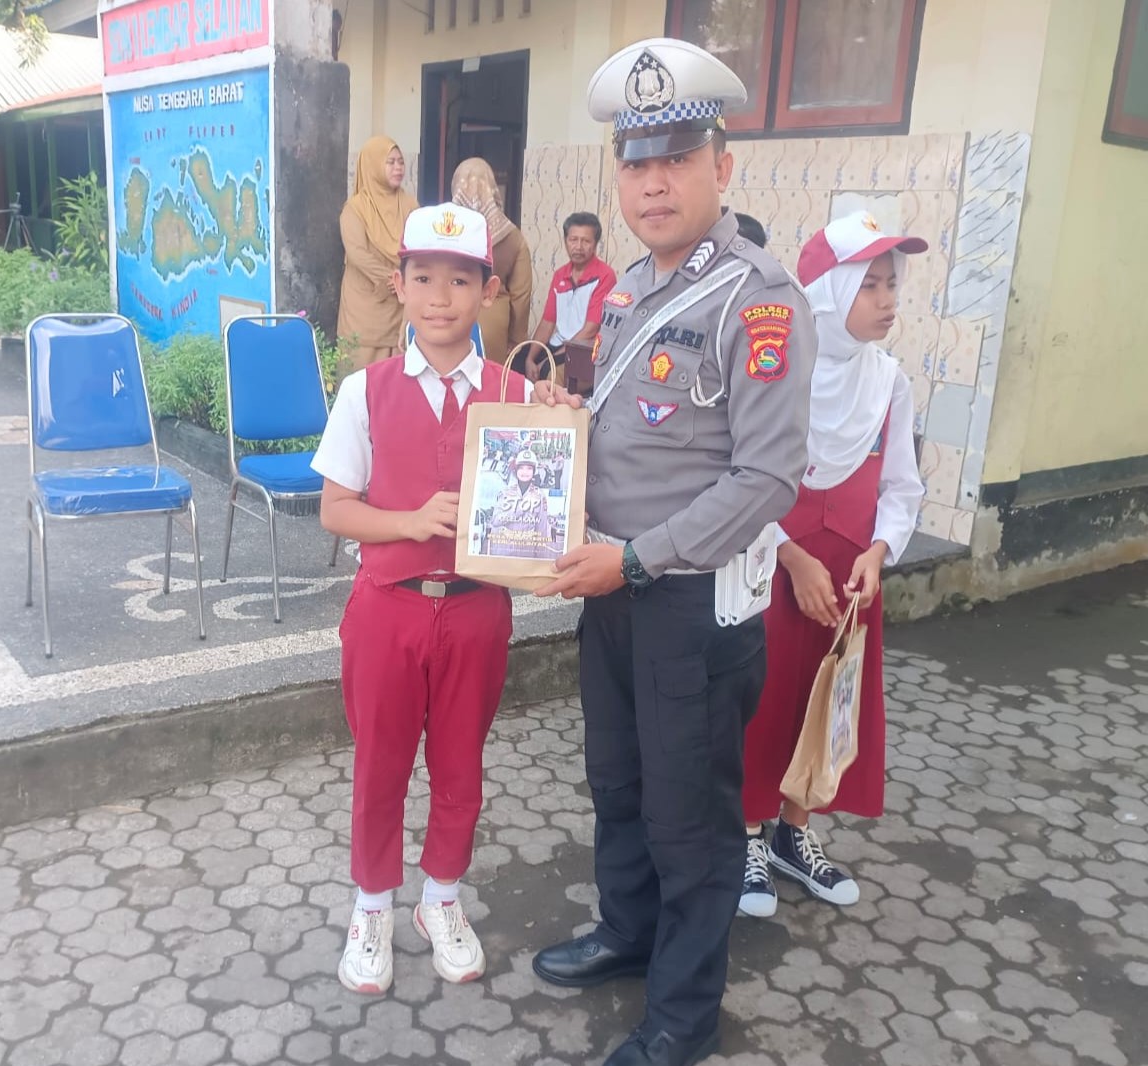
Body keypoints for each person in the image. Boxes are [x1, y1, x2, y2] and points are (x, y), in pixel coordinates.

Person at [529, 38, 815, 1066]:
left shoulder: (758, 299)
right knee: (617, 781)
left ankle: (685, 1017)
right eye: (635, 162)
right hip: (610, 588)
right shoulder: (626, 292)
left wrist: (638, 561)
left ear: (720, 168)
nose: (652, 182)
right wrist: (562, 420)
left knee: (690, 819)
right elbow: (630, 431)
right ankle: (628, 932)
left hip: (688, 604)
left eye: (676, 159)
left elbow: (767, 478)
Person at [312, 201, 530, 996]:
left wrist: (565, 426)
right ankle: (371, 905)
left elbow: (548, 495)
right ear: (397, 285)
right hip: (388, 607)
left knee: (460, 763)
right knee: (381, 765)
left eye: (461, 280)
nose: (441, 296)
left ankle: (440, 897)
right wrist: (407, 521)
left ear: (488, 291)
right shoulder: (363, 391)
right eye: (424, 277)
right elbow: (335, 509)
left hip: (477, 610)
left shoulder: (516, 394)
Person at [736, 210, 927, 918]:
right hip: (773, 571)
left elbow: (901, 487)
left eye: (891, 284)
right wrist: (789, 557)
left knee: (827, 706)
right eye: (869, 285)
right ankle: (745, 836)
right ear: (829, 291)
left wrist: (879, 553)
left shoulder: (888, 383)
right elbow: (741, 479)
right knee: (762, 702)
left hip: (848, 582)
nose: (887, 300)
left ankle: (794, 830)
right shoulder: (777, 374)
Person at [338, 136, 418, 369]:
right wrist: (394, 278)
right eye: (390, 162)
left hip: (400, 309)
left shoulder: (411, 206)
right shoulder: (355, 209)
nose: (398, 168)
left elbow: (419, 250)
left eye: (400, 162)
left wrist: (404, 280)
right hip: (364, 311)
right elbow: (357, 254)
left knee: (396, 377)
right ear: (372, 165)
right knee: (360, 379)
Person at [451, 157, 534, 358]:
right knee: (491, 376)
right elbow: (521, 295)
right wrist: (516, 337)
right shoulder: (511, 235)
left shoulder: (444, 232)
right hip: (493, 322)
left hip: (450, 315)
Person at [527, 211, 616, 379]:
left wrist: (550, 361)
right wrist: (530, 359)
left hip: (584, 349)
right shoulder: (560, 275)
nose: (579, 246)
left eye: (586, 241)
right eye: (573, 240)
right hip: (558, 344)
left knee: (549, 374)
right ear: (566, 241)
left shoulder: (605, 275)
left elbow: (591, 330)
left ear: (595, 244)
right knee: (517, 364)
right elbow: (547, 323)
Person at [483, 449, 557, 560]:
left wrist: (540, 559)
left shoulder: (540, 496)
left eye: (529, 468)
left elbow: (542, 530)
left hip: (527, 551)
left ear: (534, 471)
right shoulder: (505, 493)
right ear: (516, 470)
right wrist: (518, 510)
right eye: (521, 468)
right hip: (504, 550)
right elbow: (495, 521)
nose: (525, 472)